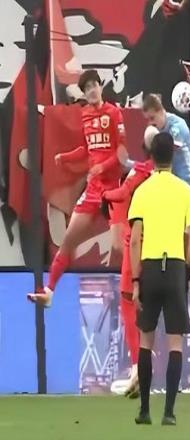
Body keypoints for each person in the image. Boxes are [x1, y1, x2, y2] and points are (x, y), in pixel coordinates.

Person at [28, 69, 128, 307]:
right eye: (87, 88)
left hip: (113, 190)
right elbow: (85, 149)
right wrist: (65, 157)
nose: (92, 90)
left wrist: (102, 167)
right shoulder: (84, 116)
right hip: (93, 191)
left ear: (101, 87)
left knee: (118, 246)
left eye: (94, 85)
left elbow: (122, 152)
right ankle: (49, 291)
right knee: (68, 241)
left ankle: (140, 282)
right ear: (84, 93)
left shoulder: (114, 113)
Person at [128, 131, 190, 426]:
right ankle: (169, 412)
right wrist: (188, 272)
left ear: (151, 156)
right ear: (173, 155)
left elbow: (134, 240)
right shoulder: (185, 191)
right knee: (175, 343)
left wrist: (135, 281)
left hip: (150, 268)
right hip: (175, 268)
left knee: (146, 339)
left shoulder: (142, 191)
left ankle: (144, 410)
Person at [102, 132, 157, 399]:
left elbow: (123, 192)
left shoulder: (140, 172)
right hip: (159, 244)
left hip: (136, 242)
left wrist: (104, 194)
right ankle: (145, 367)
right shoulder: (165, 176)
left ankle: (138, 367)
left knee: (127, 301)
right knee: (151, 305)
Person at [142, 93, 190, 200]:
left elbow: (164, 154)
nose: (150, 123)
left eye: (152, 118)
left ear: (161, 111)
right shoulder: (155, 130)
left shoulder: (177, 127)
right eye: (147, 119)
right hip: (174, 187)